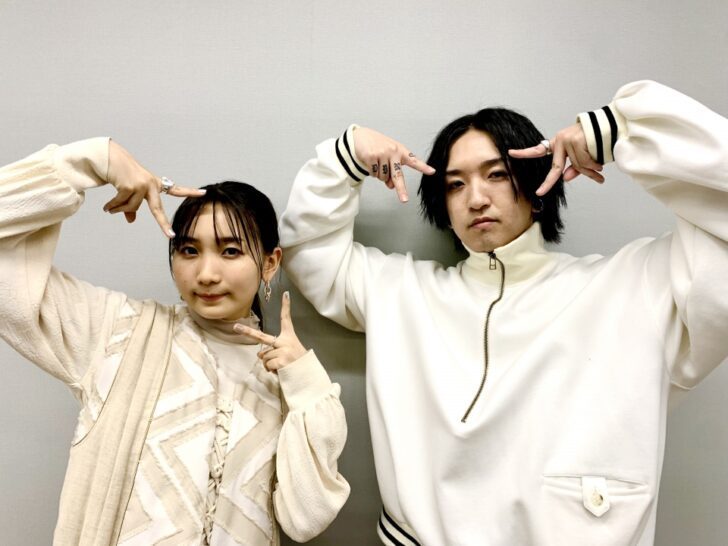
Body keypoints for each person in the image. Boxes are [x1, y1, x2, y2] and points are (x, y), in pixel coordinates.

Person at [279, 80, 728, 545]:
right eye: (455, 184)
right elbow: (308, 251)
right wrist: (348, 154)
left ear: (536, 183)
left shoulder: (633, 286)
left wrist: (623, 130)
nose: (475, 198)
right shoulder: (401, 292)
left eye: (496, 175)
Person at [0, 138, 350, 545]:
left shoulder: (287, 381)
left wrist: (306, 383)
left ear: (269, 263)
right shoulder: (118, 331)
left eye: (230, 251)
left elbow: (305, 519)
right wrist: (96, 160)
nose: (206, 273)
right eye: (188, 250)